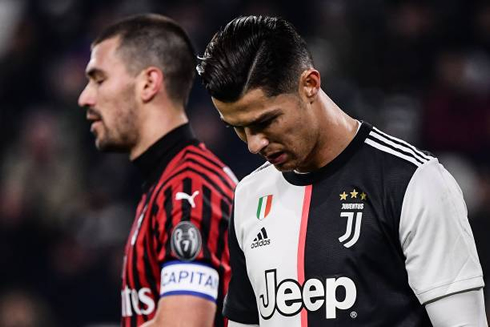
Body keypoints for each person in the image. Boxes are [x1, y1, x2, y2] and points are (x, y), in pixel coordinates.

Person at [197, 15, 487, 326]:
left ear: (310, 84)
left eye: (265, 122)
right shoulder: (248, 196)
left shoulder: (412, 182)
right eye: (238, 128)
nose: (254, 144)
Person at [78, 14, 237, 327]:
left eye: (99, 79)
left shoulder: (189, 189)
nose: (85, 97)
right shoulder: (170, 184)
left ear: (149, 83)